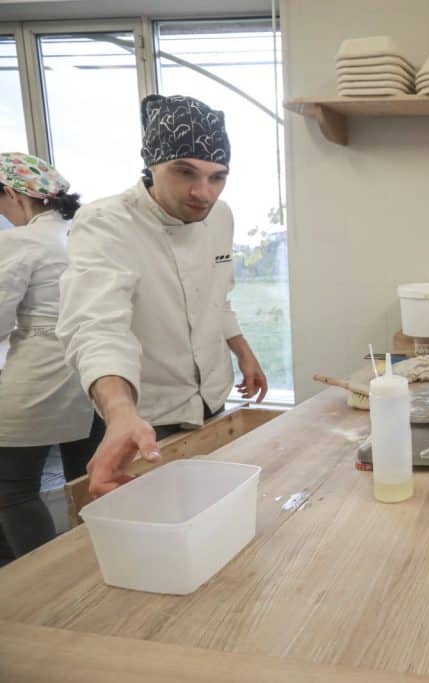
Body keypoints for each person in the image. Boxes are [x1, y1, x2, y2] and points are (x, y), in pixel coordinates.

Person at [57, 94, 268, 499]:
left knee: (215, 508)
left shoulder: (220, 216)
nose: (202, 192)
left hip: (213, 401)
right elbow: (96, 325)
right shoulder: (106, 222)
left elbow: (216, 294)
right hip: (147, 421)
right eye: (185, 172)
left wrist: (242, 351)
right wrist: (120, 413)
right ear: (151, 164)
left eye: (217, 176)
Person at [0, 153, 104, 565]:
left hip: (37, 375)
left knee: (13, 488)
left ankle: (43, 578)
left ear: (12, 193)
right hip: (90, 371)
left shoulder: (19, 241)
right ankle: (95, 564)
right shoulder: (79, 233)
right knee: (86, 480)